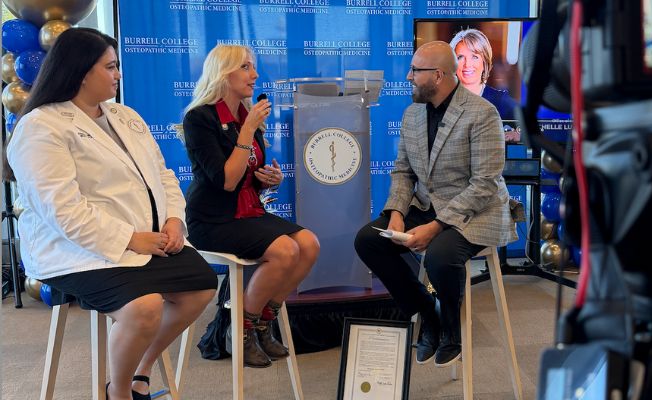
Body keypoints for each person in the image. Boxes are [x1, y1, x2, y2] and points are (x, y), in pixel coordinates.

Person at [5, 28, 217, 400]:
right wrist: (130, 239)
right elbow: (61, 209)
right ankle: (118, 393)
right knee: (144, 307)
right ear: (82, 71)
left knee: (200, 286)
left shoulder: (125, 115)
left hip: (143, 240)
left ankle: (141, 371)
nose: (118, 74)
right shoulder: (40, 126)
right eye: (111, 66)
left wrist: (172, 220)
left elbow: (162, 175)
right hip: (72, 250)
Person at [354, 41, 517, 367]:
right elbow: (403, 171)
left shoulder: (483, 113)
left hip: (479, 210)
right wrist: (397, 214)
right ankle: (428, 313)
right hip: (428, 205)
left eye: (416, 70)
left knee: (441, 256)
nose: (409, 76)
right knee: (369, 240)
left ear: (438, 75)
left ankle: (452, 332)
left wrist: (437, 226)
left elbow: (484, 185)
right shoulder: (412, 113)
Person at [181, 44, 320, 368]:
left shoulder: (247, 116)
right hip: (212, 219)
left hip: (247, 212)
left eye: (252, 67)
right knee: (285, 250)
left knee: (309, 245)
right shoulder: (199, 119)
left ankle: (261, 322)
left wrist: (267, 178)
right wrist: (246, 131)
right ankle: (239, 330)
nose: (254, 75)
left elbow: (246, 176)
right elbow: (226, 180)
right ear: (223, 73)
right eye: (245, 67)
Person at [449, 28, 518, 121]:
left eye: (475, 57)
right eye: (460, 57)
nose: (467, 64)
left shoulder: (503, 103)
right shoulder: (442, 101)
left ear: (485, 62)